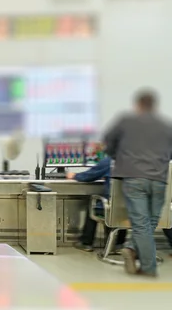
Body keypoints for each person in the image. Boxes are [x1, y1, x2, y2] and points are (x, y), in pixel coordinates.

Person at [104, 89, 172, 277]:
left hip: (133, 177)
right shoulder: (167, 126)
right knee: (151, 221)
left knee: (141, 224)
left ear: (138, 105)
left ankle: (147, 266)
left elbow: (108, 142)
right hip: (159, 179)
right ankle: (132, 249)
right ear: (154, 105)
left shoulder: (126, 121)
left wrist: (117, 156)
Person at [67, 156, 127, 252]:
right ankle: (119, 243)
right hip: (132, 210)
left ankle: (86, 243)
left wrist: (74, 176)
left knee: (93, 204)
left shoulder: (109, 162)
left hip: (111, 210)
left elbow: (88, 176)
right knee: (122, 206)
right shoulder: (136, 162)